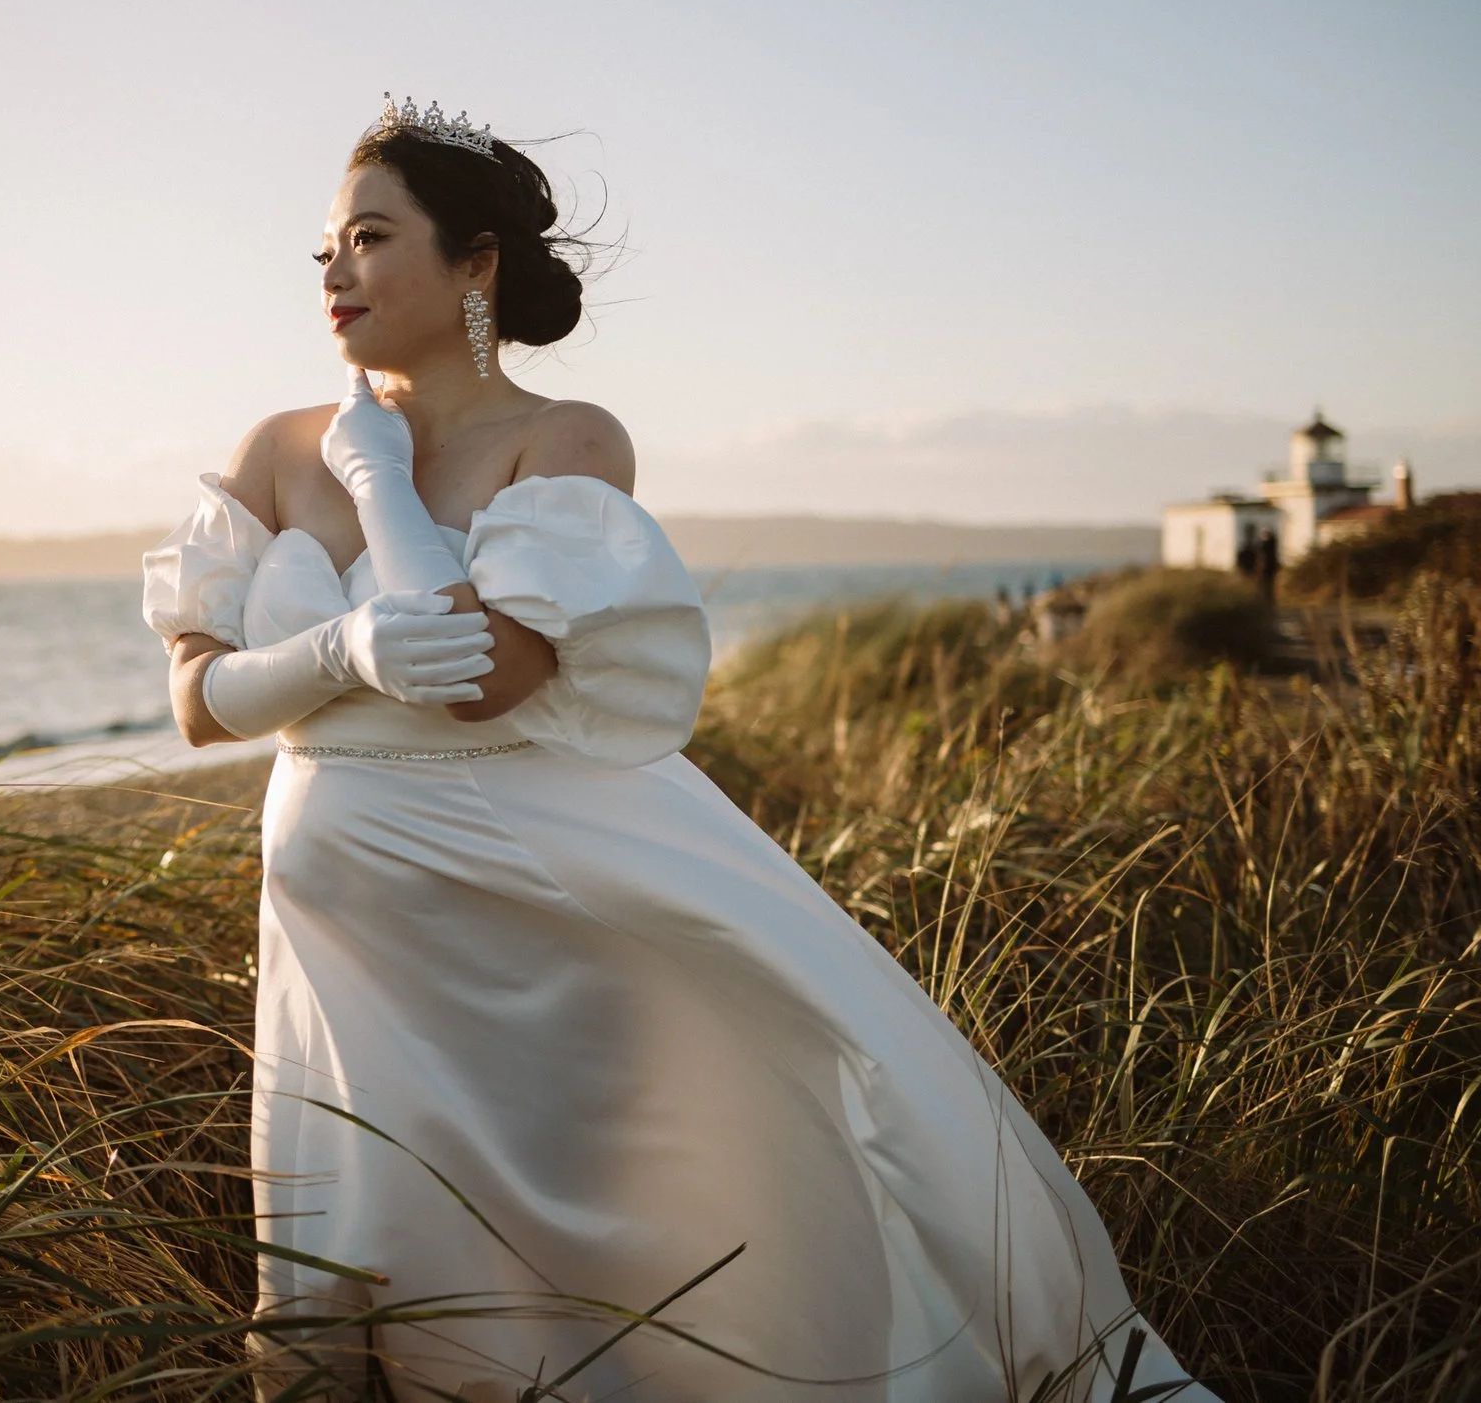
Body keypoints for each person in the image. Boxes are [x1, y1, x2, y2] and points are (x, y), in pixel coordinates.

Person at [142, 97, 1215, 1402]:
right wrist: (339, 652)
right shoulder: (273, 448)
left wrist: (378, 483)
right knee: (327, 1264)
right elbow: (197, 703)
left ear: (476, 263)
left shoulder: (567, 437)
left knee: (569, 1234)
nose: (335, 270)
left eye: (370, 237)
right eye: (324, 246)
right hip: (331, 924)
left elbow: (484, 679)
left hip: (512, 905)